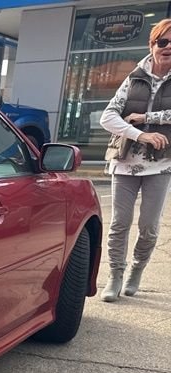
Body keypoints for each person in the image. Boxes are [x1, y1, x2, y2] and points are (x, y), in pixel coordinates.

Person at [99, 18, 171, 301]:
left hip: (161, 165)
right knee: (120, 223)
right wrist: (141, 135)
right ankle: (115, 274)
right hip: (125, 161)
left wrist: (147, 118)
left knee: (149, 227)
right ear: (152, 45)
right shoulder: (134, 77)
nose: (168, 47)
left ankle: (137, 270)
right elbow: (108, 117)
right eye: (163, 41)